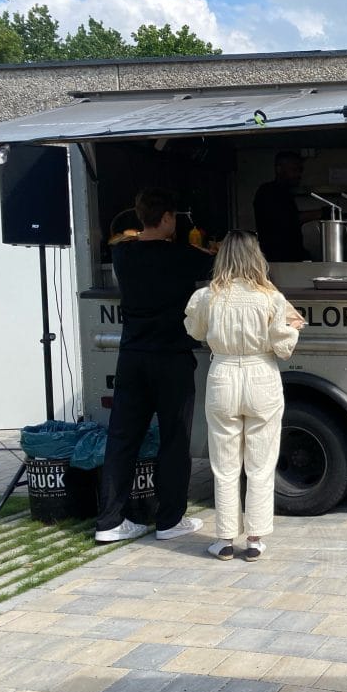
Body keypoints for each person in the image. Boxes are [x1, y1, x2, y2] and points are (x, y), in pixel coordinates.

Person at [95, 188, 214, 543]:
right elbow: (214, 261)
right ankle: (169, 521)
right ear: (165, 219)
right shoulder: (183, 255)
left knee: (121, 439)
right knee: (174, 440)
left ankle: (110, 523)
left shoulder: (122, 254)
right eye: (173, 218)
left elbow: (123, 237)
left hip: (132, 358)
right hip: (172, 358)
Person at [184, 231, 303, 562]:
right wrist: (294, 327)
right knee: (261, 463)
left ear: (222, 257)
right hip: (261, 374)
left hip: (222, 374)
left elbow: (193, 330)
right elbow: (283, 345)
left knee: (224, 464)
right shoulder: (271, 297)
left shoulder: (207, 296)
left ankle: (223, 539)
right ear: (257, 257)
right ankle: (254, 539)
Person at [253, 150, 317, 262]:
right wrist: (320, 213)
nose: (298, 175)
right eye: (294, 170)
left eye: (300, 170)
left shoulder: (285, 193)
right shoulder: (268, 192)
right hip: (275, 257)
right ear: (279, 169)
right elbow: (287, 220)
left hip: (292, 257)